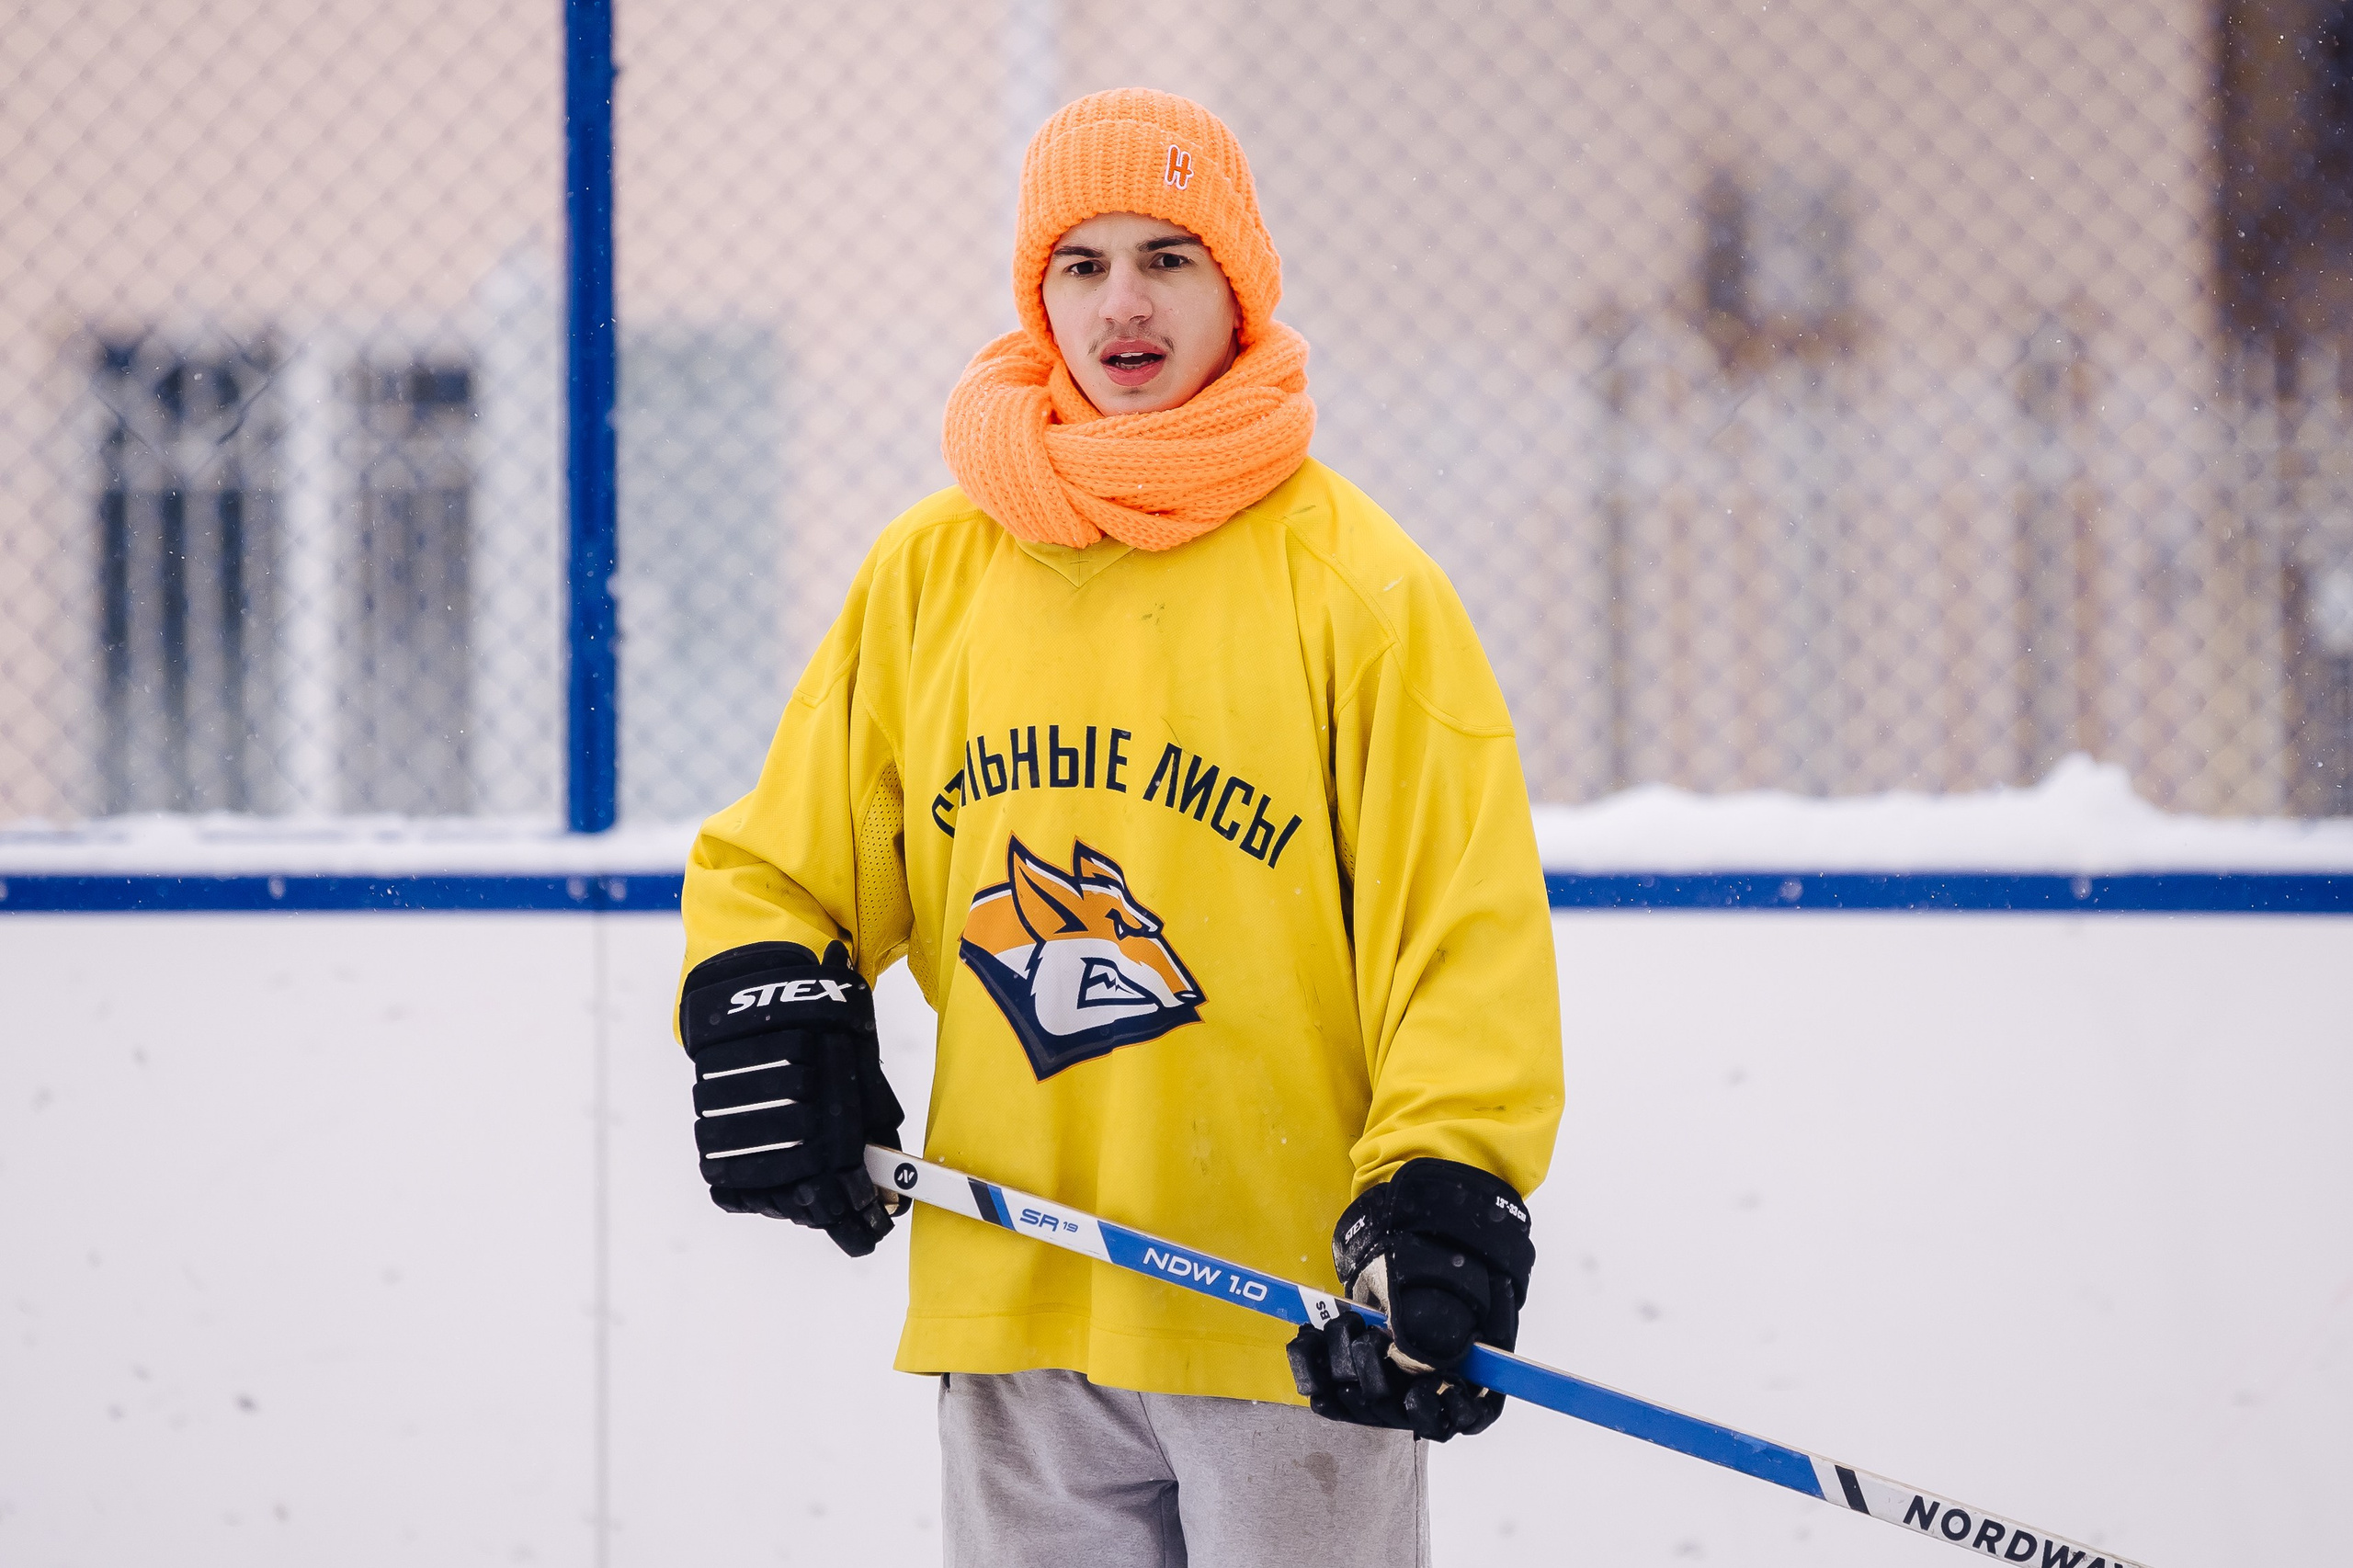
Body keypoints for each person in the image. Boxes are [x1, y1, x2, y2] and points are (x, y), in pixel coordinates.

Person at [676, 87, 1563, 1565]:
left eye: (1168, 255)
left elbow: (1457, 931)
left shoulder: (1359, 588)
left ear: (1239, 282)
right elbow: (786, 860)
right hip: (1017, 1297)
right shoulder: (933, 570)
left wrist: (1445, 1175)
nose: (1123, 303)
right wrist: (772, 1002)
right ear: (1038, 295)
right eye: (1079, 265)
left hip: (1290, 1320)